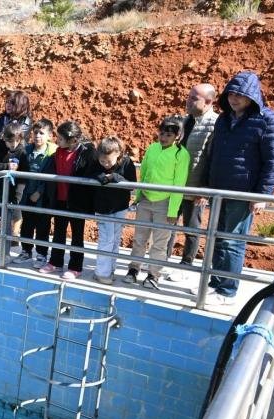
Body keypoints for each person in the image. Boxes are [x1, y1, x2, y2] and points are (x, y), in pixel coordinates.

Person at [203, 71, 274, 304]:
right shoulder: (223, 120)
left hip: (242, 192)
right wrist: (207, 185)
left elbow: (273, 161)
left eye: (240, 95)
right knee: (216, 238)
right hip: (219, 190)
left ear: (252, 96)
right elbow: (213, 154)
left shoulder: (267, 120)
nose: (234, 98)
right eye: (231, 93)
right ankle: (216, 283)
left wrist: (261, 195)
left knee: (232, 240)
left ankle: (227, 291)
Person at [123, 117, 191, 290]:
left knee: (160, 242)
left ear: (177, 136)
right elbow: (144, 172)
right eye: (161, 133)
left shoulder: (181, 154)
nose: (163, 137)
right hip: (146, 200)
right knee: (139, 238)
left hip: (165, 202)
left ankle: (153, 275)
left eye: (168, 134)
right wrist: (138, 197)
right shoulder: (152, 148)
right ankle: (133, 270)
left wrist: (173, 211)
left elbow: (179, 183)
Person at [165, 84, 219, 282]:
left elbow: (212, 159)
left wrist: (204, 189)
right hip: (176, 185)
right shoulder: (186, 121)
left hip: (195, 188)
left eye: (193, 98)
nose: (188, 101)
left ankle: (186, 265)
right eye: (188, 97)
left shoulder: (215, 124)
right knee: (168, 224)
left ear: (208, 102)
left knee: (192, 228)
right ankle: (163, 260)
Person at [38, 121, 95, 280]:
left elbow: (90, 174)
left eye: (61, 139)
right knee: (58, 232)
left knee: (77, 235)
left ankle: (76, 267)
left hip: (77, 201)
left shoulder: (87, 152)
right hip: (60, 199)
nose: (58, 141)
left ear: (73, 140)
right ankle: (55, 261)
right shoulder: (59, 152)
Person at [88, 136, 137, 285]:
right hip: (103, 208)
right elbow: (89, 175)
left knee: (115, 239)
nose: (105, 164)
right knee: (106, 239)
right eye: (102, 161)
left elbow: (132, 185)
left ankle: (110, 269)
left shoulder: (127, 163)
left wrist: (116, 177)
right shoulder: (96, 162)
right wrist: (101, 176)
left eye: (109, 161)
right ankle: (101, 272)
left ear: (119, 154)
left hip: (120, 206)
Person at [0, 122, 29, 265]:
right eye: (9, 142)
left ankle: (5, 253)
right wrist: (5, 166)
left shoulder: (22, 151)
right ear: (4, 139)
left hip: (11, 196)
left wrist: (18, 195)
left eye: (16, 141)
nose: (13, 145)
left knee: (6, 226)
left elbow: (25, 174)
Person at [13, 119, 57, 268]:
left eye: (41, 133)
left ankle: (41, 254)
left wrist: (39, 191)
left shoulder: (53, 153)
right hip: (27, 194)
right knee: (27, 224)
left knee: (42, 226)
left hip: (43, 197)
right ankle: (26, 251)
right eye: (35, 132)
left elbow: (52, 176)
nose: (37, 135)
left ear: (50, 135)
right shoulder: (27, 150)